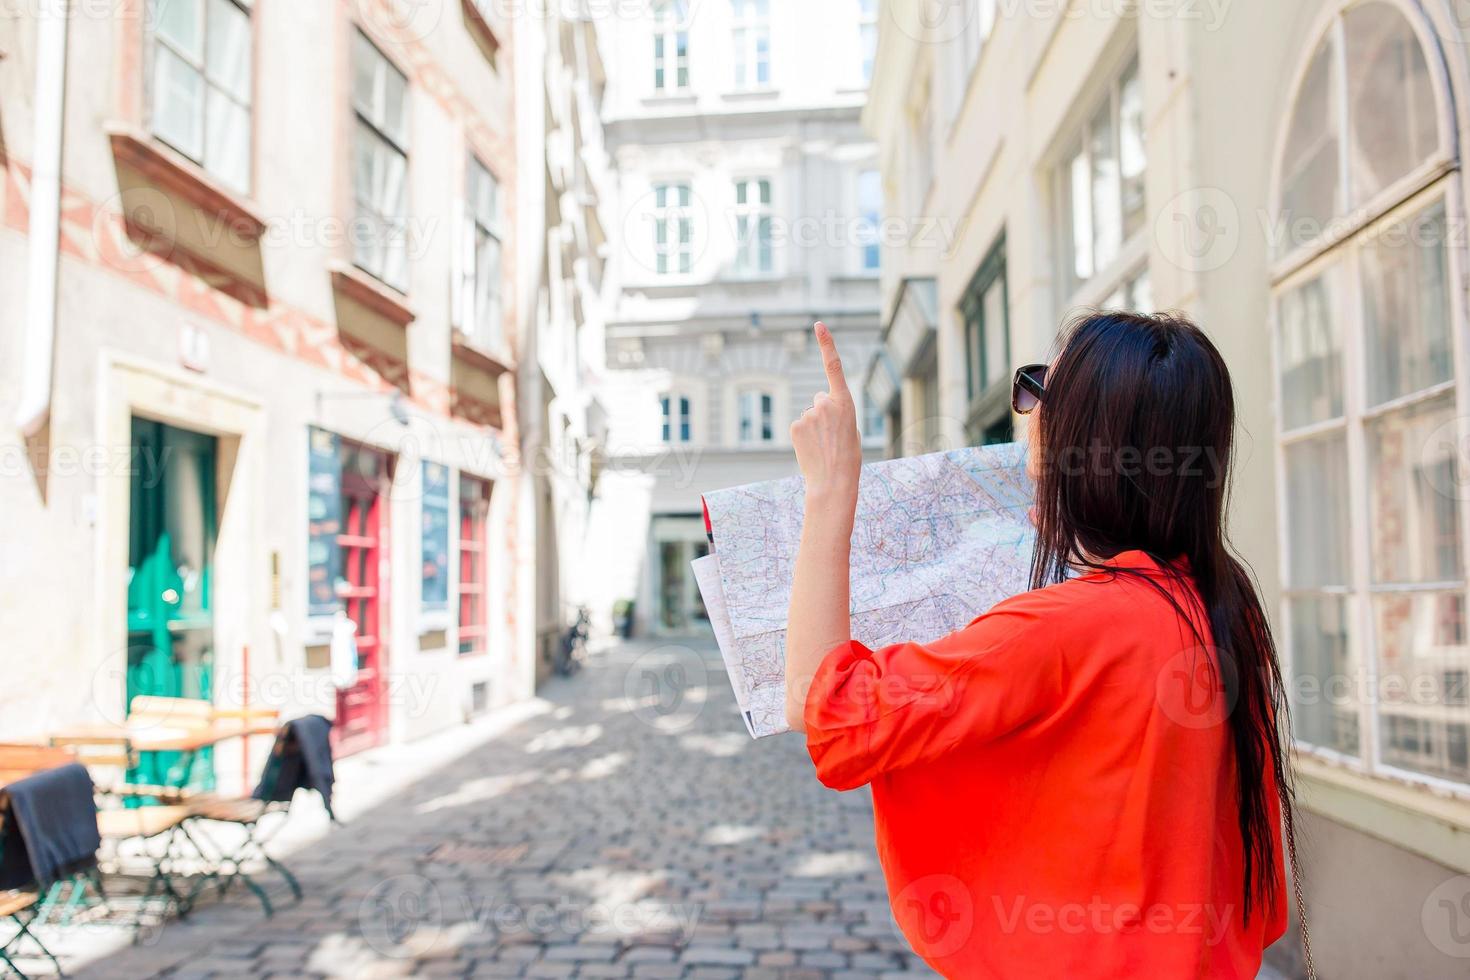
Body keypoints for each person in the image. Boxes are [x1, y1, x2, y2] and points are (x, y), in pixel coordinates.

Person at [785, 314, 1305, 979]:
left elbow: (823, 710)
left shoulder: (1061, 627)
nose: (1024, 410)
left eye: (1037, 390)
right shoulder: (1224, 603)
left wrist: (828, 492)